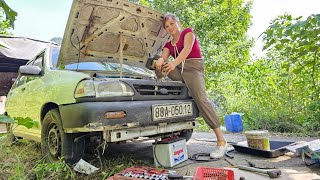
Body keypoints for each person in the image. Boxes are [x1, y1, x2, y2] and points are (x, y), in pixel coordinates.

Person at [155, 14, 228, 158]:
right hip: (179, 71)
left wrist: (173, 63)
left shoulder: (187, 32)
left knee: (202, 101)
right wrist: (160, 61)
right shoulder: (168, 45)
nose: (169, 27)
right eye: (166, 26)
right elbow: (164, 56)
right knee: (157, 62)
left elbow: (187, 49)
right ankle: (158, 83)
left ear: (177, 22)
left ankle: (221, 141)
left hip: (193, 68)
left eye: (171, 23)